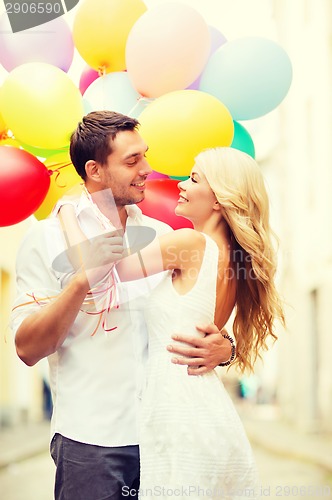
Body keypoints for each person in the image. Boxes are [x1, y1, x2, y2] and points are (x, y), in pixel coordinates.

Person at [10, 111, 233, 500]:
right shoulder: (45, 240)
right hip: (90, 444)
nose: (147, 168)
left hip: (165, 439)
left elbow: (197, 316)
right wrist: (80, 281)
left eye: (144, 155)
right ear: (95, 170)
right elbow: (27, 348)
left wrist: (226, 349)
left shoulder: (163, 236)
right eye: (132, 161)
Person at [57, 146, 285, 498]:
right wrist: (228, 350)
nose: (180, 184)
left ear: (218, 200)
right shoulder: (233, 258)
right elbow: (210, 332)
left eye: (193, 179)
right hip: (206, 408)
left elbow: (102, 271)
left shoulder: (191, 244)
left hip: (179, 412)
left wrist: (68, 211)